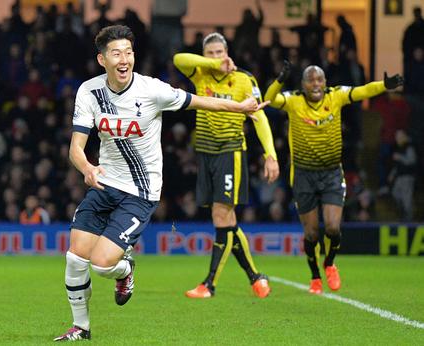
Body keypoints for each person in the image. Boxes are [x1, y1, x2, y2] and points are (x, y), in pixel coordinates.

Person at [54, 25, 268, 341]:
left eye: (128, 52)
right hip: (104, 183)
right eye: (116, 53)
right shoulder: (89, 91)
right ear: (103, 60)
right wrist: (86, 167)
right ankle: (81, 328)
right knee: (74, 258)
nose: (124, 58)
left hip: (140, 193)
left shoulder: (152, 89)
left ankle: (124, 271)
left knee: (101, 265)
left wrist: (242, 107)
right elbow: (76, 147)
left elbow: (201, 101)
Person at [264, 62, 403, 294]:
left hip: (330, 173)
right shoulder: (294, 100)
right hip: (303, 174)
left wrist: (384, 85)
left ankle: (329, 263)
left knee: (332, 227)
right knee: (311, 233)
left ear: (326, 82)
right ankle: (315, 276)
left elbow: (363, 91)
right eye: (311, 80)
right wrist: (280, 79)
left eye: (320, 79)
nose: (316, 84)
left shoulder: (335, 96)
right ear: (303, 84)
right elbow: (269, 99)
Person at [173, 32, 279, 299]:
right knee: (226, 220)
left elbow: (259, 116)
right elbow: (178, 59)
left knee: (221, 216)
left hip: (230, 151)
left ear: (228, 52)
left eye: (220, 52)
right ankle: (256, 277)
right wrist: (210, 65)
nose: (216, 57)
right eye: (210, 53)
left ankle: (209, 285)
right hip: (205, 152)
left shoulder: (244, 79)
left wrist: (271, 154)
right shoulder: (200, 73)